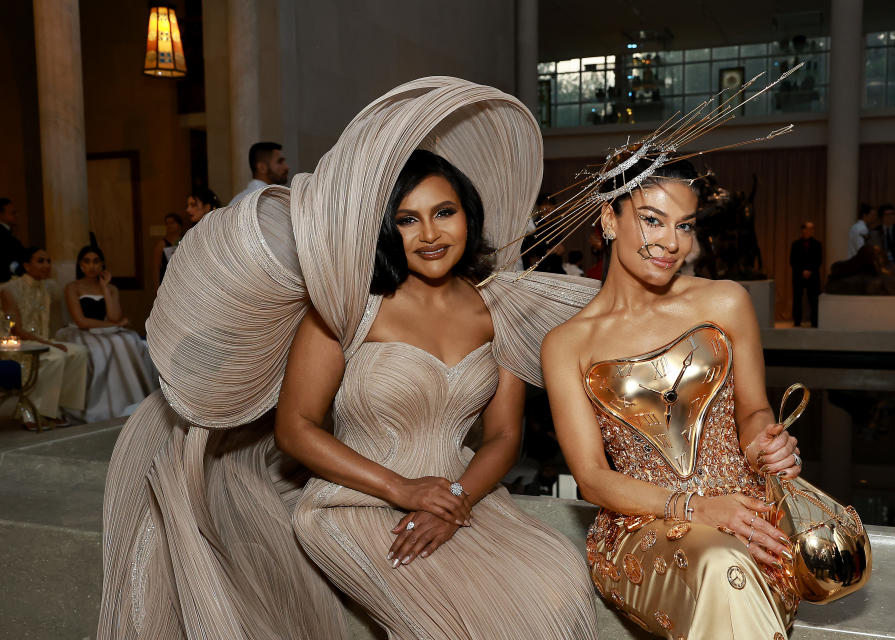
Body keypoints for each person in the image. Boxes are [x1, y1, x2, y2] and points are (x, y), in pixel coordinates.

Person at [98, 78, 599, 640]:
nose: (430, 234)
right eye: (408, 220)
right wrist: (404, 490)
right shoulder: (345, 309)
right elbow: (295, 428)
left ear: (469, 216)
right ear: (386, 229)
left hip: (465, 496)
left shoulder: (501, 308)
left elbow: (505, 436)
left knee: (558, 581)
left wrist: (453, 497)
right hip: (352, 503)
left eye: (444, 212)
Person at [542, 157, 803, 639]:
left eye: (684, 225)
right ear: (608, 219)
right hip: (639, 527)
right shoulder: (567, 344)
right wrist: (697, 509)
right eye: (652, 220)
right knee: (724, 563)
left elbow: (753, 409)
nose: (671, 242)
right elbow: (593, 479)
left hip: (749, 509)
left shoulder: (725, 301)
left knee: (736, 559)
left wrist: (765, 444)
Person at [56, 240, 159, 423]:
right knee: (101, 348)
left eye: (96, 261)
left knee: (128, 340)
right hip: (82, 331)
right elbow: (81, 321)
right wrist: (116, 324)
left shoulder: (110, 287)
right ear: (81, 265)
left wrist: (105, 288)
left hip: (108, 329)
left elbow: (114, 315)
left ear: (102, 264)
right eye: (87, 261)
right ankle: (98, 406)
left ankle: (130, 401)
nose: (92, 266)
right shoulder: (72, 287)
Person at [0, 248, 88, 428]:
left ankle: (58, 409)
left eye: (48, 261)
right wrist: (49, 344)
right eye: (40, 261)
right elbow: (15, 329)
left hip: (40, 341)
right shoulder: (9, 289)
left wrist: (52, 341)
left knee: (79, 352)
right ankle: (33, 413)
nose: (47, 265)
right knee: (55, 357)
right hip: (17, 345)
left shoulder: (48, 287)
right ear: (26, 265)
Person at [228, 141, 290, 205]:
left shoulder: (237, 199)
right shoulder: (262, 201)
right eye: (280, 162)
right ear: (262, 168)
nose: (286, 167)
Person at [790, 221, 822, 327]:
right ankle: (797, 321)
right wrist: (802, 271)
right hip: (799, 275)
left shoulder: (817, 244)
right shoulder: (795, 244)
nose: (810, 231)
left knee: (813, 299)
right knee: (797, 299)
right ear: (803, 230)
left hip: (813, 276)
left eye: (812, 229)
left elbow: (818, 260)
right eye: (808, 228)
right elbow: (793, 261)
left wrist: (809, 270)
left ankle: (815, 322)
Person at [151, 212, 184, 290]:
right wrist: (157, 288)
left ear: (179, 224)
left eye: (172, 223)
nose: (169, 226)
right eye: (167, 223)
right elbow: (156, 267)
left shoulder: (185, 240)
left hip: (183, 278)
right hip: (167, 280)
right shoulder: (162, 244)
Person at [0, 198, 25, 282]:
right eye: (12, 213)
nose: (16, 215)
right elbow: (7, 259)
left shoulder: (9, 232)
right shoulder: (3, 235)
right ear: (1, 214)